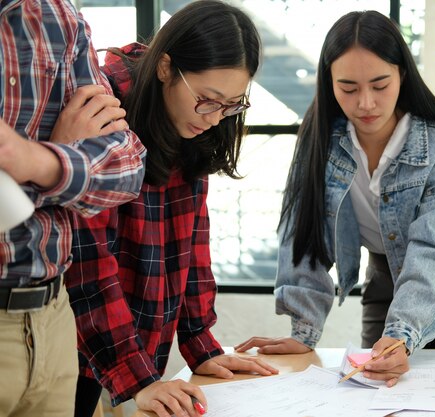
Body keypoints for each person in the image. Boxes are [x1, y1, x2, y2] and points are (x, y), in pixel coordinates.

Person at [236, 10, 435, 386]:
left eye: (379, 84)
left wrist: (402, 334)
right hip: (382, 287)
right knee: (377, 396)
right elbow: (302, 235)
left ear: (402, 74)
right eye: (349, 88)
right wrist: (302, 333)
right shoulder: (318, 142)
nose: (366, 104)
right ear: (329, 83)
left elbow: (433, 251)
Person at [50, 2, 277, 417]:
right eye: (208, 100)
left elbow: (189, 239)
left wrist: (200, 344)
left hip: (136, 354)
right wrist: (136, 378)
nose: (215, 118)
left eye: (232, 104)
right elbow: (86, 260)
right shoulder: (104, 110)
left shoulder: (198, 117)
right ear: (165, 68)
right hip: (74, 346)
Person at [0, 1, 146, 416]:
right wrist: (66, 169)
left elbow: (128, 167)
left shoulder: (60, 17)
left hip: (52, 318)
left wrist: (40, 159)